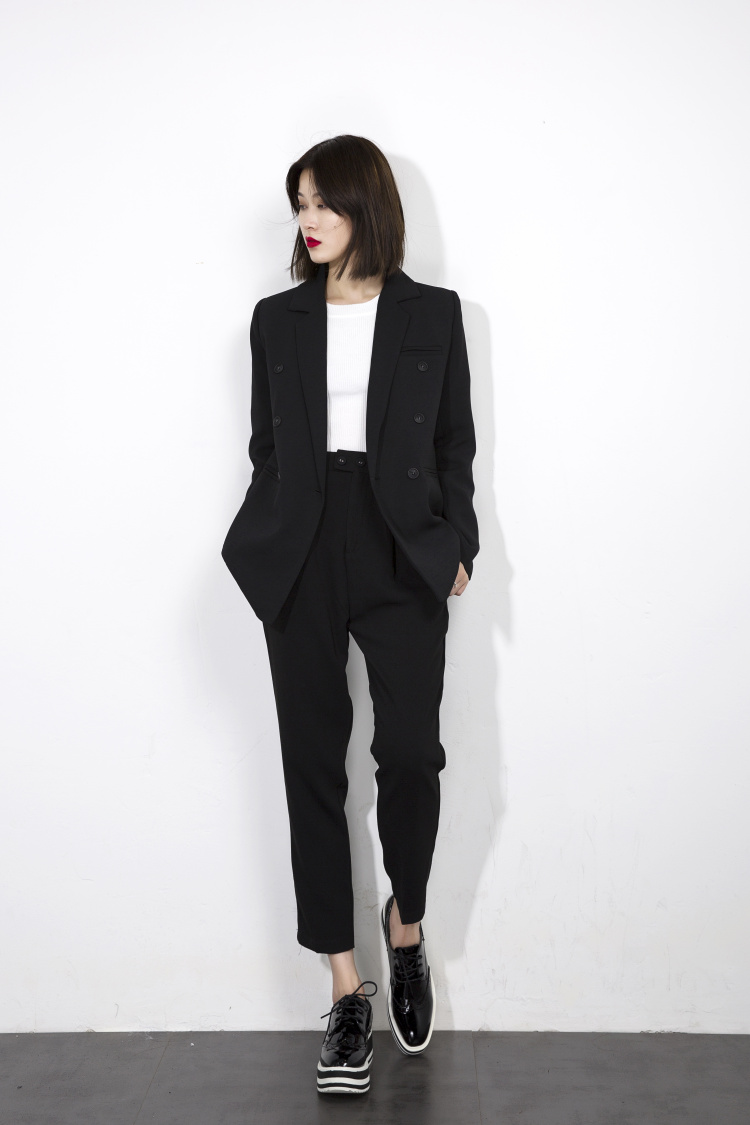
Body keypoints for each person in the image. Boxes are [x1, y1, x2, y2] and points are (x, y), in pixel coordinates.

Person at [222, 135, 479, 1095]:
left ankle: (405, 926)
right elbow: (266, 446)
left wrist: (457, 542)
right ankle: (343, 988)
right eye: (300, 204)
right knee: (311, 764)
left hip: (400, 541)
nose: (309, 221)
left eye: (323, 202)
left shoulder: (433, 314)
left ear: (367, 205)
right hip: (301, 543)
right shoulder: (276, 319)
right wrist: (265, 531)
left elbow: (454, 443)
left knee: (410, 752)